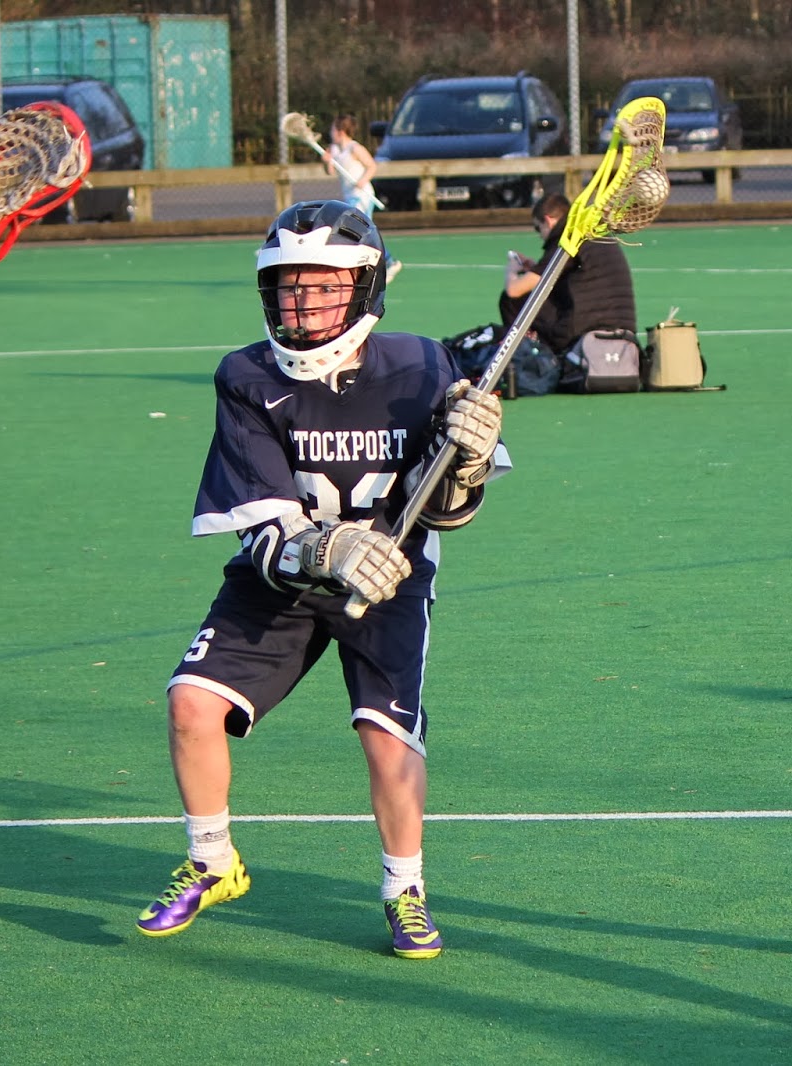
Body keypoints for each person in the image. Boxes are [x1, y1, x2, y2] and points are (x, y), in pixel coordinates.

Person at [134, 199, 509, 959]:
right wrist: (329, 550)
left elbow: (447, 512)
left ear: (366, 289)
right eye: (289, 286)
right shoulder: (246, 377)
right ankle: (213, 862)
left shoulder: (423, 365)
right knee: (190, 704)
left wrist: (466, 463)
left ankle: (405, 890)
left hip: (393, 577)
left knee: (385, 733)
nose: (303, 303)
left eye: (325, 286)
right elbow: (265, 532)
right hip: (286, 579)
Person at [497, 192, 636, 389]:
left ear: (548, 220)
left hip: (580, 327)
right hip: (623, 326)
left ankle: (541, 361)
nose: (540, 235)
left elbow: (514, 290)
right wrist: (535, 267)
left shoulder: (568, 238)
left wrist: (511, 270)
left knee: (512, 302)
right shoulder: (592, 231)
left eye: (538, 228)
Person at [325, 114, 402, 282]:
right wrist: (327, 161)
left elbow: (372, 166)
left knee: (358, 231)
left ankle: (389, 261)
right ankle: (381, 262)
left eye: (332, 128)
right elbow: (330, 172)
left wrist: (363, 180)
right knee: (359, 233)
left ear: (340, 131)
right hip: (350, 196)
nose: (330, 132)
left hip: (362, 196)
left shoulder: (355, 148)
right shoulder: (334, 149)